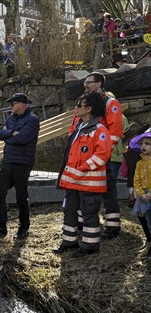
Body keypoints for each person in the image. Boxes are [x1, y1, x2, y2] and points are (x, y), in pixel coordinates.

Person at [55, 92, 112, 257]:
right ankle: (69, 242)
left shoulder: (100, 130)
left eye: (79, 105)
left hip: (89, 183)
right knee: (70, 211)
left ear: (90, 108)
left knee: (89, 215)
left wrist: (84, 167)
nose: (76, 108)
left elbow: (103, 155)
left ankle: (90, 246)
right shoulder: (79, 127)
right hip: (73, 181)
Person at [0, 93, 40, 240]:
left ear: (21, 104)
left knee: (21, 197)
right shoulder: (11, 118)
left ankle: (24, 227)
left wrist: (9, 137)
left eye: (12, 104)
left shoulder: (32, 120)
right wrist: (12, 133)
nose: (10, 106)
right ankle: (1, 224)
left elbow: (22, 138)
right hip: (8, 161)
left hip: (22, 164)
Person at [83, 72, 123, 239]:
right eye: (84, 83)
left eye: (88, 83)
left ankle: (113, 226)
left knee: (108, 189)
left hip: (102, 155)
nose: (85, 86)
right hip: (87, 155)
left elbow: (114, 133)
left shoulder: (110, 103)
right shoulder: (85, 103)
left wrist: (103, 153)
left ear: (98, 84)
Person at [129, 130, 151, 259]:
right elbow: (136, 180)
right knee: (143, 218)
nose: (143, 146)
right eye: (142, 143)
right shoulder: (139, 163)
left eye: (147, 143)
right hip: (143, 196)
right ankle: (149, 241)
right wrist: (141, 193)